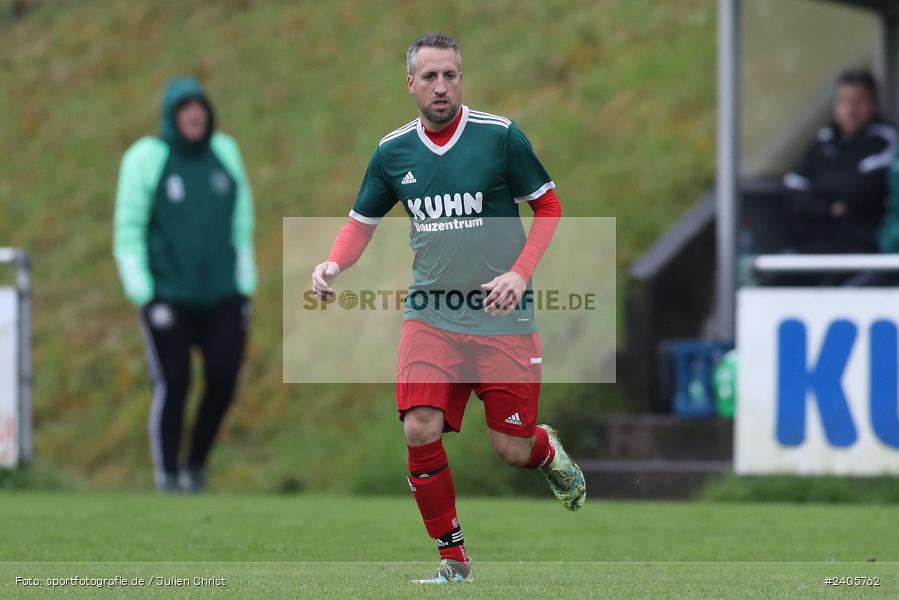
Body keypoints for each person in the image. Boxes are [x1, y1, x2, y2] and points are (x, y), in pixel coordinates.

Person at [311, 33, 585, 584]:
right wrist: (334, 264)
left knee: (511, 448)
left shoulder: (499, 137)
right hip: (432, 314)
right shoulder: (392, 153)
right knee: (420, 426)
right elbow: (360, 225)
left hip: (502, 317)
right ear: (410, 84)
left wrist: (518, 273)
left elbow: (549, 207)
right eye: (430, 77)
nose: (441, 87)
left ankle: (546, 451)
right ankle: (453, 560)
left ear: (461, 79)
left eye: (450, 75)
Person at [113, 77, 257, 493]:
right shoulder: (146, 158)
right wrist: (142, 291)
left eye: (200, 108)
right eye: (185, 109)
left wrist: (244, 282)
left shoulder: (224, 152)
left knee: (223, 378)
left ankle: (195, 465)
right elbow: (128, 229)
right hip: (168, 296)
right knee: (174, 382)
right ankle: (168, 473)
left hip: (223, 293)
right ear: (171, 116)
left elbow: (241, 220)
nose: (195, 116)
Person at [783, 69, 897, 255]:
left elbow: (861, 188)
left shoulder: (886, 138)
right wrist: (828, 208)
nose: (851, 110)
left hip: (865, 247)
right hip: (816, 242)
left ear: (873, 103)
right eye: (844, 101)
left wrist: (819, 187)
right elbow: (793, 185)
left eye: (858, 101)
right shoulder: (825, 139)